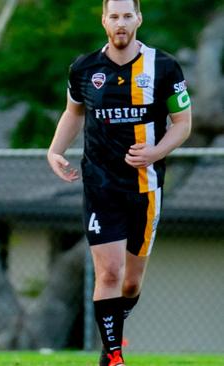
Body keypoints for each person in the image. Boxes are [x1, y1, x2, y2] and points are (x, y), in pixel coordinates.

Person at [46, 1, 191, 365]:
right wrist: (54, 150)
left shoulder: (165, 67)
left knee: (130, 283)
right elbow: (73, 111)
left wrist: (155, 152)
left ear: (139, 19)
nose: (121, 23)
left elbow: (183, 123)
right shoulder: (84, 68)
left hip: (145, 185)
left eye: (128, 16)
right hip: (100, 183)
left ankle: (111, 334)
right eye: (114, 16)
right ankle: (113, 356)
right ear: (104, 21)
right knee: (109, 273)